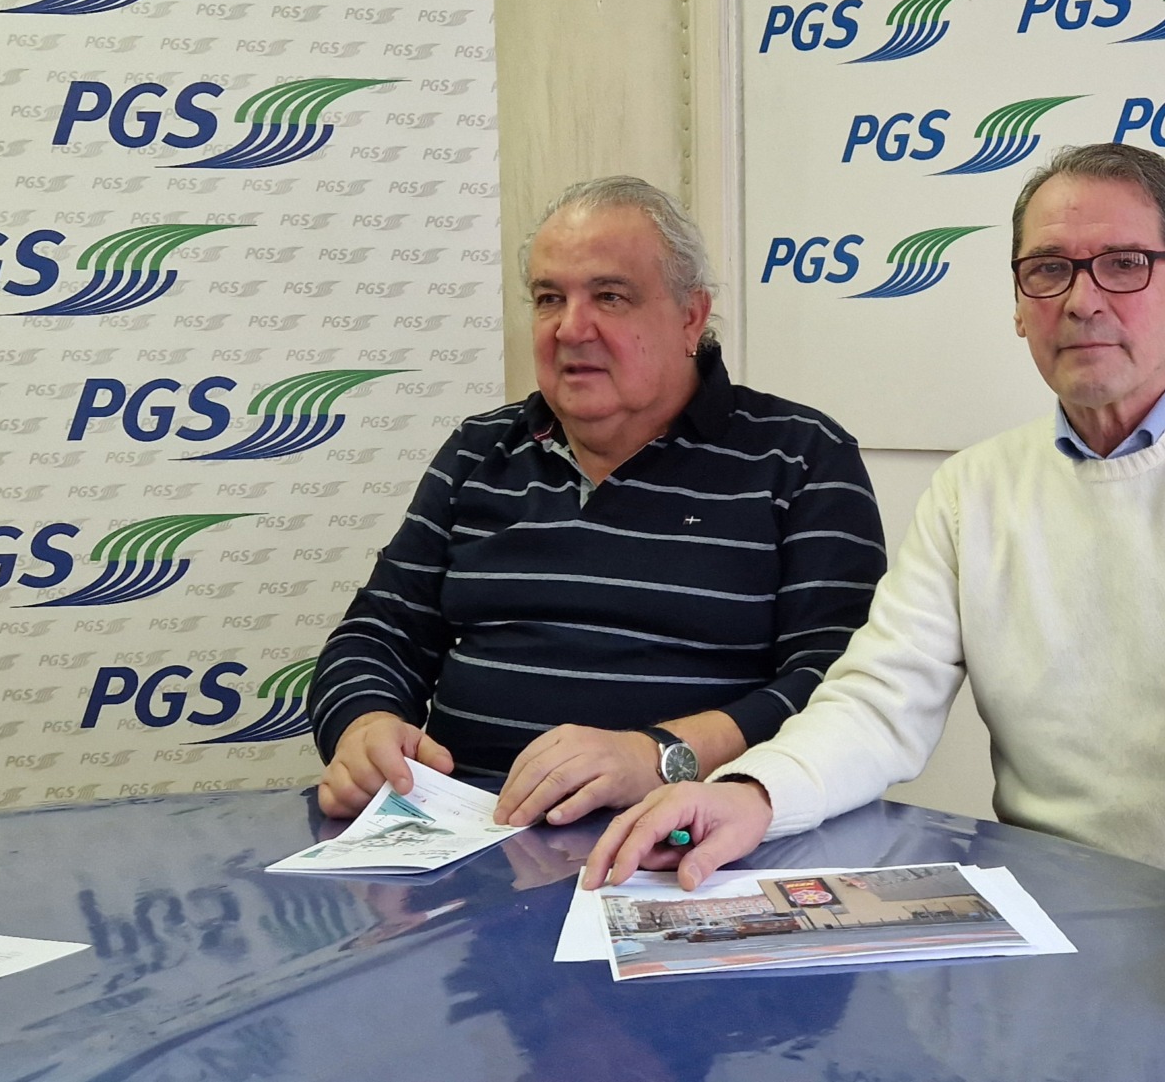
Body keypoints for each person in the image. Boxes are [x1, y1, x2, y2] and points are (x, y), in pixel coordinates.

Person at [586, 144, 1165, 1037]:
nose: (1082, 299)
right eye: (1048, 269)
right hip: (1058, 918)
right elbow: (877, 700)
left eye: (1124, 264)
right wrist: (754, 790)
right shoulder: (972, 488)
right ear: (1020, 306)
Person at [305, 176, 886, 831]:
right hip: (468, 834)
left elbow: (840, 687)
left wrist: (663, 755)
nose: (571, 328)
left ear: (691, 315)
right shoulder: (478, 452)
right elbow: (380, 633)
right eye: (549, 298)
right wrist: (365, 726)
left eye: (610, 296)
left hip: (691, 841)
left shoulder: (802, 458)